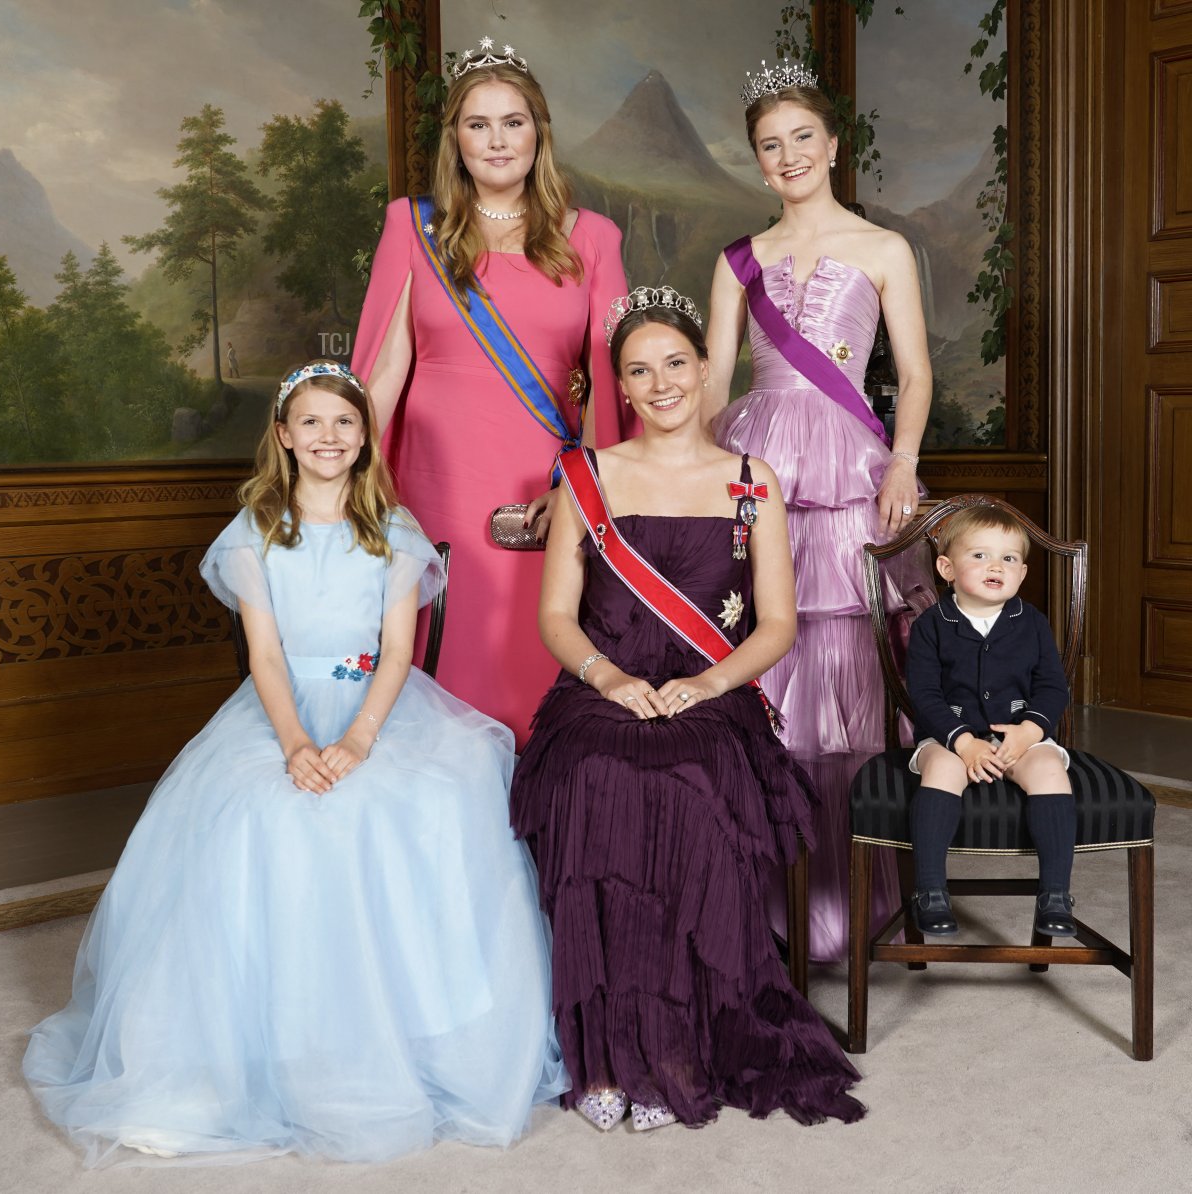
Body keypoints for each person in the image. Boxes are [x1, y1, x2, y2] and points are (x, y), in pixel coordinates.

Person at [23, 360, 566, 1166]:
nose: (329, 437)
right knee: (257, 808)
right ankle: (246, 1046)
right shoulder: (254, 532)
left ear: (364, 437)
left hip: (381, 710)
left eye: (345, 423)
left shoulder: (395, 530)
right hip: (281, 712)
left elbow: (395, 654)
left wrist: (355, 741)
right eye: (311, 422)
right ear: (283, 435)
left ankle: (417, 1032)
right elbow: (266, 658)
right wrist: (299, 745)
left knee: (433, 795)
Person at [510, 289, 865, 1133]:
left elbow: (777, 624)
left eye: (676, 362)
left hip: (711, 695)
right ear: (621, 388)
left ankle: (675, 1049)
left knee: (690, 785)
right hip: (600, 693)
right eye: (639, 371)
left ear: (708, 370)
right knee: (600, 777)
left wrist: (707, 686)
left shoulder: (752, 484)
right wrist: (607, 679)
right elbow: (556, 616)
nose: (661, 382)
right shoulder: (585, 475)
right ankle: (605, 1054)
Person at [705, 59, 935, 962]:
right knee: (759, 654)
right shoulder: (739, 261)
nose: (790, 154)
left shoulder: (883, 250)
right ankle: (758, 892)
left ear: (834, 145)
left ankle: (849, 891)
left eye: (804, 136)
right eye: (772, 144)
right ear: (758, 164)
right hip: (754, 462)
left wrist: (904, 460)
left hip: (850, 468)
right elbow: (714, 378)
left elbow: (913, 375)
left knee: (844, 667)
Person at [350, 38, 634, 747]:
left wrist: (582, 492)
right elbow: (382, 373)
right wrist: (352, 492)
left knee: (531, 675)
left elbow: (609, 378)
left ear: (539, 132)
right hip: (430, 493)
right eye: (478, 124)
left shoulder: (592, 238)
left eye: (514, 121)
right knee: (439, 674)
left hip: (541, 496)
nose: (497, 139)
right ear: (456, 139)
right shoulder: (412, 228)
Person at [905, 505, 1076, 937]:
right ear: (946, 567)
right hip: (951, 739)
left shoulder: (1032, 623)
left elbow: (1053, 688)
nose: (996, 566)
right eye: (979, 556)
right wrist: (962, 742)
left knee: (1050, 768)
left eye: (1009, 559)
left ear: (1021, 573)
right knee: (941, 768)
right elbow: (923, 694)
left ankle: (1055, 893)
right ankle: (930, 891)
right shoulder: (931, 625)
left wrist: (1030, 732)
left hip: (1019, 736)